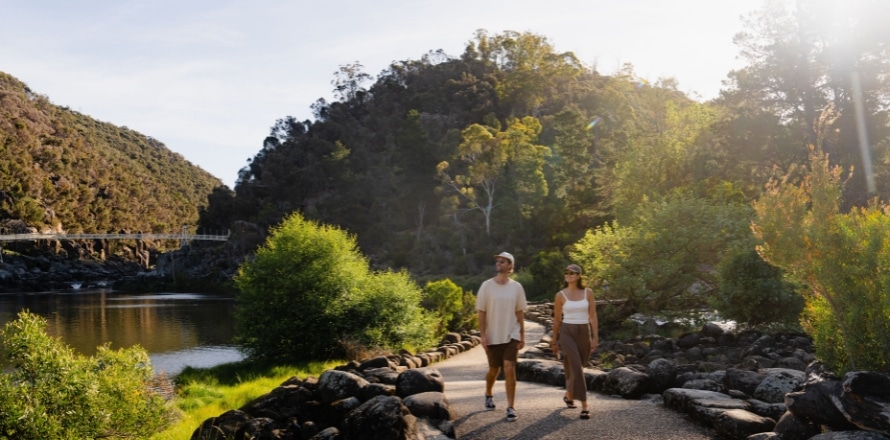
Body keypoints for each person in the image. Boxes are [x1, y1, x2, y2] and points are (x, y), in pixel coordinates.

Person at [476, 251, 528, 422]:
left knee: (509, 367)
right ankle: (488, 393)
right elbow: (481, 312)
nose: (499, 263)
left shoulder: (517, 287)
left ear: (510, 266)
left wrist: (521, 334)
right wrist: (483, 335)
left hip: (511, 333)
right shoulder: (486, 286)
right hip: (492, 335)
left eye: (503, 261)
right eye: (497, 260)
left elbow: (519, 312)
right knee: (494, 370)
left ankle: (511, 407)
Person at [550, 263, 599, 419]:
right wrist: (554, 341)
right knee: (576, 366)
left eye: (572, 272)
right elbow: (557, 320)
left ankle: (569, 394)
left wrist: (595, 337)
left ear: (578, 276)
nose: (568, 274)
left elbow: (593, 316)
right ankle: (585, 405)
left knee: (579, 366)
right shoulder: (560, 295)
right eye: (566, 272)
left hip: (584, 331)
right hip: (567, 331)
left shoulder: (588, 293)